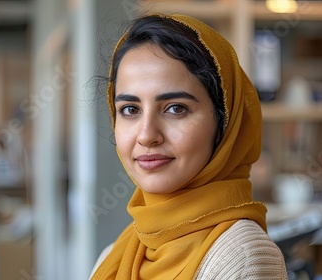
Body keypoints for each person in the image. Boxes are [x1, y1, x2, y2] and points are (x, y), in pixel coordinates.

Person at [91, 13, 287, 279]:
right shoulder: (115, 255)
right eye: (130, 109)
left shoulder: (243, 257)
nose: (147, 135)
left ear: (224, 121)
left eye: (175, 108)